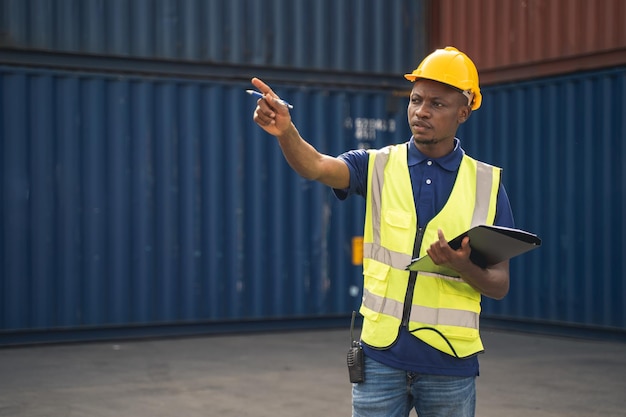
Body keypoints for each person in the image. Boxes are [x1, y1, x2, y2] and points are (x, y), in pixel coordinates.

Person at [251, 46, 514, 417]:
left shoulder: (487, 185)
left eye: (437, 104)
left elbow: (499, 285)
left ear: (463, 112)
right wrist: (286, 132)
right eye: (416, 99)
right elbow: (316, 167)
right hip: (379, 362)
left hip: (449, 368)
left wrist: (463, 266)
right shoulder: (375, 165)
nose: (421, 111)